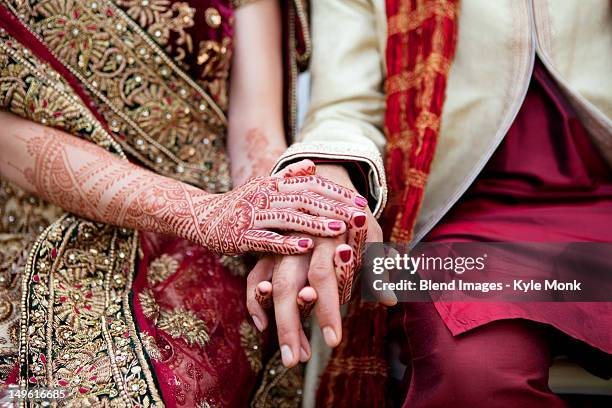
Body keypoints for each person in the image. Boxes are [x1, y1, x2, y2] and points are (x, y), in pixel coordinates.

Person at [0, 0, 369, 406]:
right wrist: (198, 213)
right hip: (34, 224)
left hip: (213, 234)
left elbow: (256, 127)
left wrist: (280, 216)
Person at [264, 0, 612, 407]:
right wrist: (329, 195)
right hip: (454, 222)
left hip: (600, 204)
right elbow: (345, 109)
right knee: (473, 375)